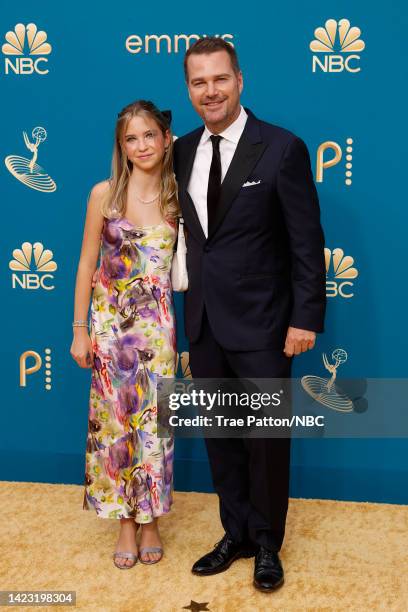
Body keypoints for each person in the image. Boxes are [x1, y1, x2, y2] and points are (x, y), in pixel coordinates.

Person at [173, 38, 326, 592]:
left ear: (240, 81)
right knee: (221, 435)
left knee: (264, 440)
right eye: (198, 82)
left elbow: (307, 243)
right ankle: (233, 531)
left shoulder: (282, 147)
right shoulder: (181, 149)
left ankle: (266, 543)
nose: (209, 91)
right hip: (204, 322)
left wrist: (305, 318)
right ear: (188, 89)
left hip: (265, 324)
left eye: (219, 79)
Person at [70, 100, 178, 569]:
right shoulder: (104, 195)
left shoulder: (180, 196)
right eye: (131, 138)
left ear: (166, 138)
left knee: (155, 429)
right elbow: (85, 264)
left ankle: (151, 517)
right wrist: (79, 331)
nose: (141, 145)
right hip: (110, 331)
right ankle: (125, 522)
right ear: (121, 145)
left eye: (149, 135)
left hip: (157, 335)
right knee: (115, 428)